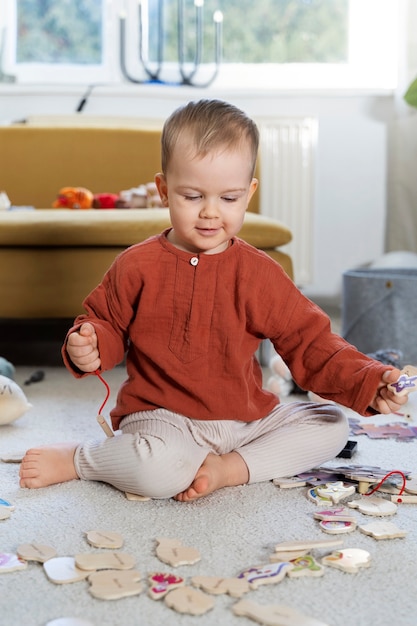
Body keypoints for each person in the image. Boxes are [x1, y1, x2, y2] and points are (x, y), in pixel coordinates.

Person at [19, 99, 408, 502]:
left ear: (249, 194)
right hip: (163, 420)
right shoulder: (136, 265)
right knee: (158, 474)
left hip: (246, 421)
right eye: (192, 196)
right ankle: (82, 458)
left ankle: (229, 468)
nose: (210, 213)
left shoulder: (260, 273)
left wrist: (368, 380)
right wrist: (90, 344)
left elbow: (311, 342)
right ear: (164, 190)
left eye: (228, 198)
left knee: (331, 424)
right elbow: (105, 321)